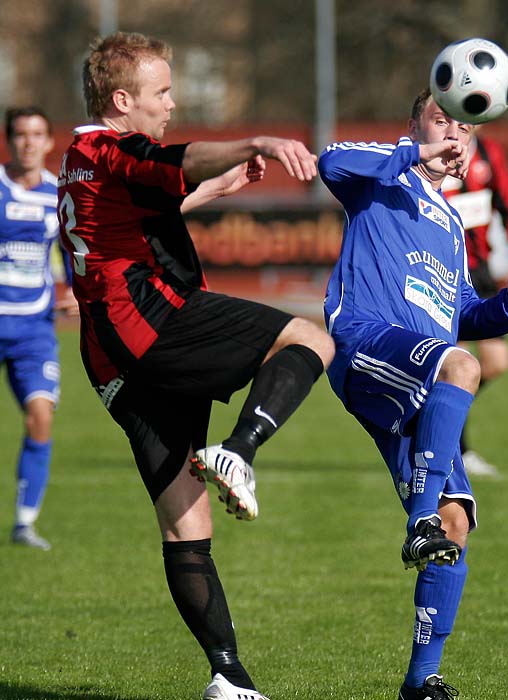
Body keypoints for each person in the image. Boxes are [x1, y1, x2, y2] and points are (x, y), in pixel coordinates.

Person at [57, 32, 334, 700]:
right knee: (311, 338)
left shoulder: (83, 158)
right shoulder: (106, 145)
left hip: (110, 359)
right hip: (152, 320)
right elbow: (181, 159)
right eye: (160, 92)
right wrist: (254, 144)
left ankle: (227, 680)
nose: (171, 103)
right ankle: (240, 449)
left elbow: (141, 213)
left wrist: (218, 189)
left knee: (186, 525)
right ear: (121, 100)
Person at [318, 88, 508, 700]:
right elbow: (330, 159)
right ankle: (419, 518)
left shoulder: (453, 228)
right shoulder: (379, 178)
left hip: (419, 382)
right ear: (416, 126)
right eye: (440, 118)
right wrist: (415, 151)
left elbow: (460, 315)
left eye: (464, 125)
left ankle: (420, 680)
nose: (453, 132)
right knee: (462, 367)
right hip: (367, 344)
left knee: (456, 523)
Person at [1, 106, 76, 551]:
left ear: (50, 143)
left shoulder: (57, 195)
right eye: (20, 134)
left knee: (41, 418)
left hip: (33, 329)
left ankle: (25, 524)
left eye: (36, 135)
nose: (28, 142)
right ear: (9, 141)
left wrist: (73, 292)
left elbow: (70, 253)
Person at [442, 128, 508, 476]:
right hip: (443, 270)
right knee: (457, 364)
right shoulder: (432, 155)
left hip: (480, 271)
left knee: (495, 362)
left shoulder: (489, 154)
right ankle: (456, 451)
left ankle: (439, 414)